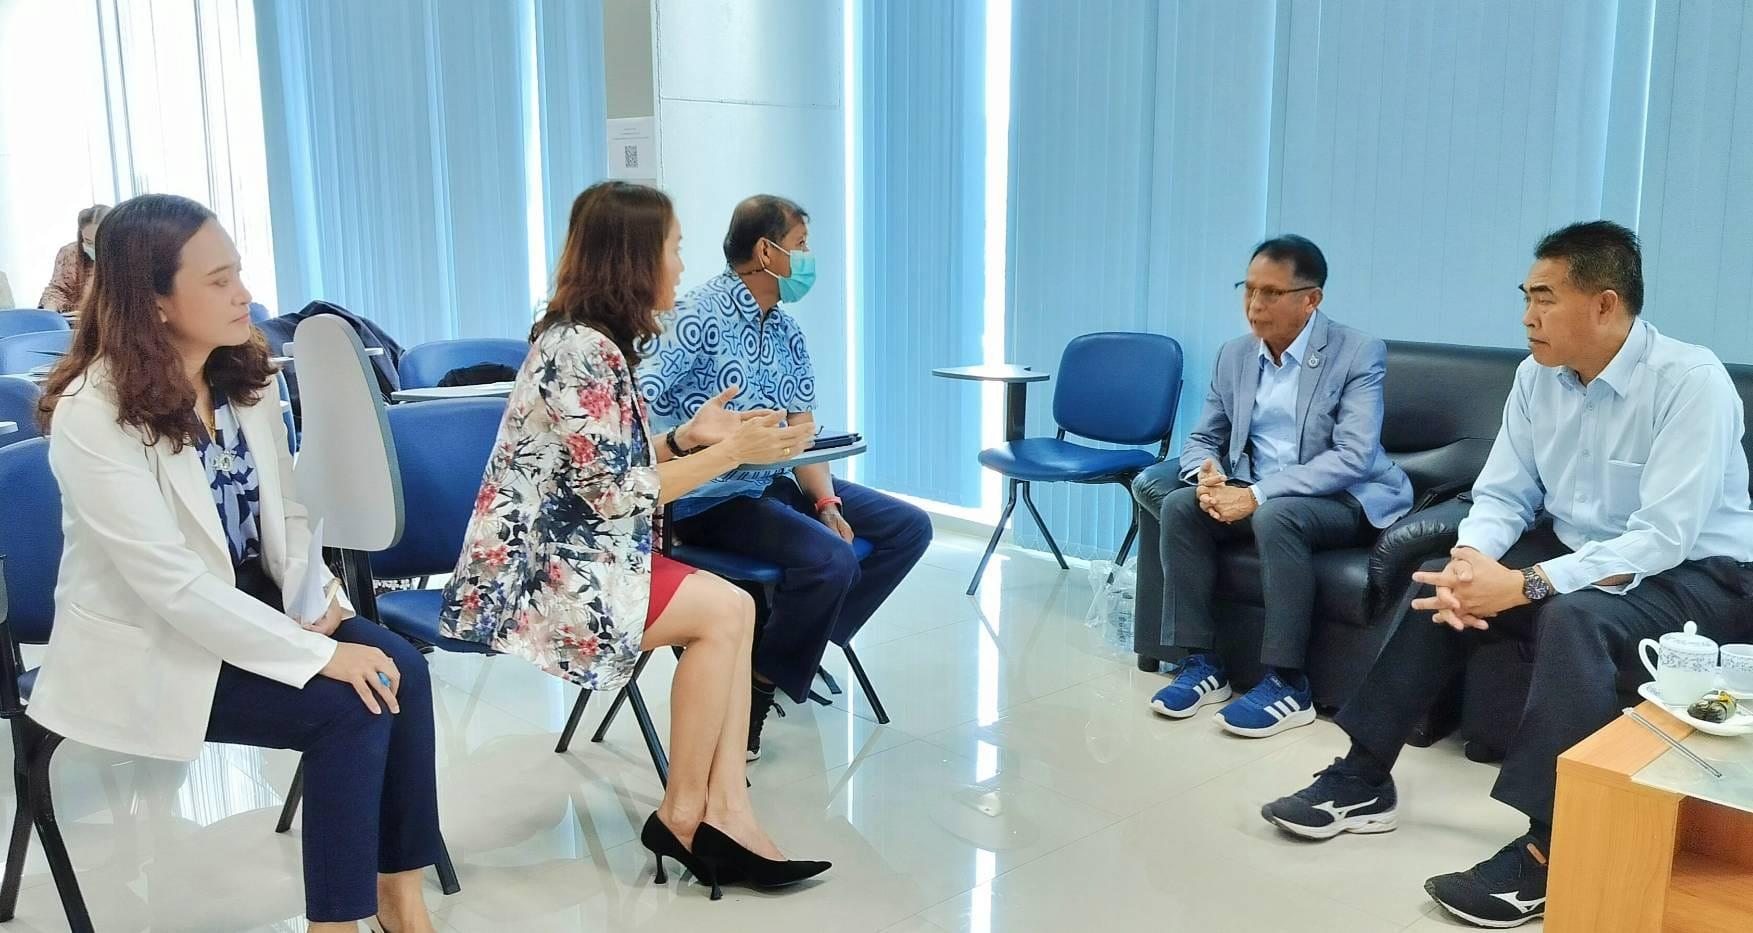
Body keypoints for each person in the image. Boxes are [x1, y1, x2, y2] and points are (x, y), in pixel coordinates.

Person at [1259, 221, 1753, 929]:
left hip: (1700, 573)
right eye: (1525, 296)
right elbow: (1501, 496)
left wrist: (1525, 584)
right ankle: (1362, 775)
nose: (1527, 316)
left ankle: (1552, 847)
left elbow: (1661, 536)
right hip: (1583, 553)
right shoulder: (1535, 377)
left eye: (1544, 298)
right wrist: (1472, 563)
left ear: (1604, 304)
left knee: (1575, 616)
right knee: (1440, 578)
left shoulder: (1689, 382)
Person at [31, 194, 443, 932]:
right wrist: (319, 655)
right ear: (154, 301)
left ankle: (399, 898)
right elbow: (171, 586)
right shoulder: (92, 413)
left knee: (402, 672)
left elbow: (287, 513)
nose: (244, 295)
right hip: (154, 642)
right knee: (349, 706)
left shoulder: (239, 380)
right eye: (219, 280)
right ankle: (334, 925)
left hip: (252, 607)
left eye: (239, 273)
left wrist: (321, 601)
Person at [440, 181, 829, 898]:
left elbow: (606, 461)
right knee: (726, 612)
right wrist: (729, 452)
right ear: (634, 257)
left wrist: (685, 438)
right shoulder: (578, 350)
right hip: (538, 577)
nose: (680, 263)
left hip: (585, 554)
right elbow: (613, 492)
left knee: (733, 608)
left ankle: (721, 812)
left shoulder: (592, 342)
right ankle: (693, 814)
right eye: (673, 247)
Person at [638, 194, 933, 758]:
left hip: (772, 482)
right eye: (800, 244)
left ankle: (780, 651)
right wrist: (693, 439)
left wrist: (827, 504)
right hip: (706, 495)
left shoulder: (787, 332)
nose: (808, 256)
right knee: (832, 560)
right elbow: (637, 405)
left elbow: (803, 431)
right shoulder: (697, 316)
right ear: (765, 252)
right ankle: (758, 688)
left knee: (908, 528)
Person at [1131, 235, 1412, 736]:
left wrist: (1256, 494)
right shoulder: (1234, 355)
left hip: (1344, 496)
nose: (1255, 305)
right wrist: (1207, 475)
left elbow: (1353, 456)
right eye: (1249, 289)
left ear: (1311, 299)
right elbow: (1203, 437)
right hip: (1255, 489)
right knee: (1180, 506)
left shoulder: (1356, 352)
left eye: (1271, 293)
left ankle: (1288, 683)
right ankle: (1201, 663)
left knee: (1276, 514)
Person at [38, 204, 110, 319]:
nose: (94, 247)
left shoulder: (125, 257)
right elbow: (58, 290)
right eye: (88, 242)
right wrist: (49, 313)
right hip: (76, 320)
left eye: (99, 241)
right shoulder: (70, 253)